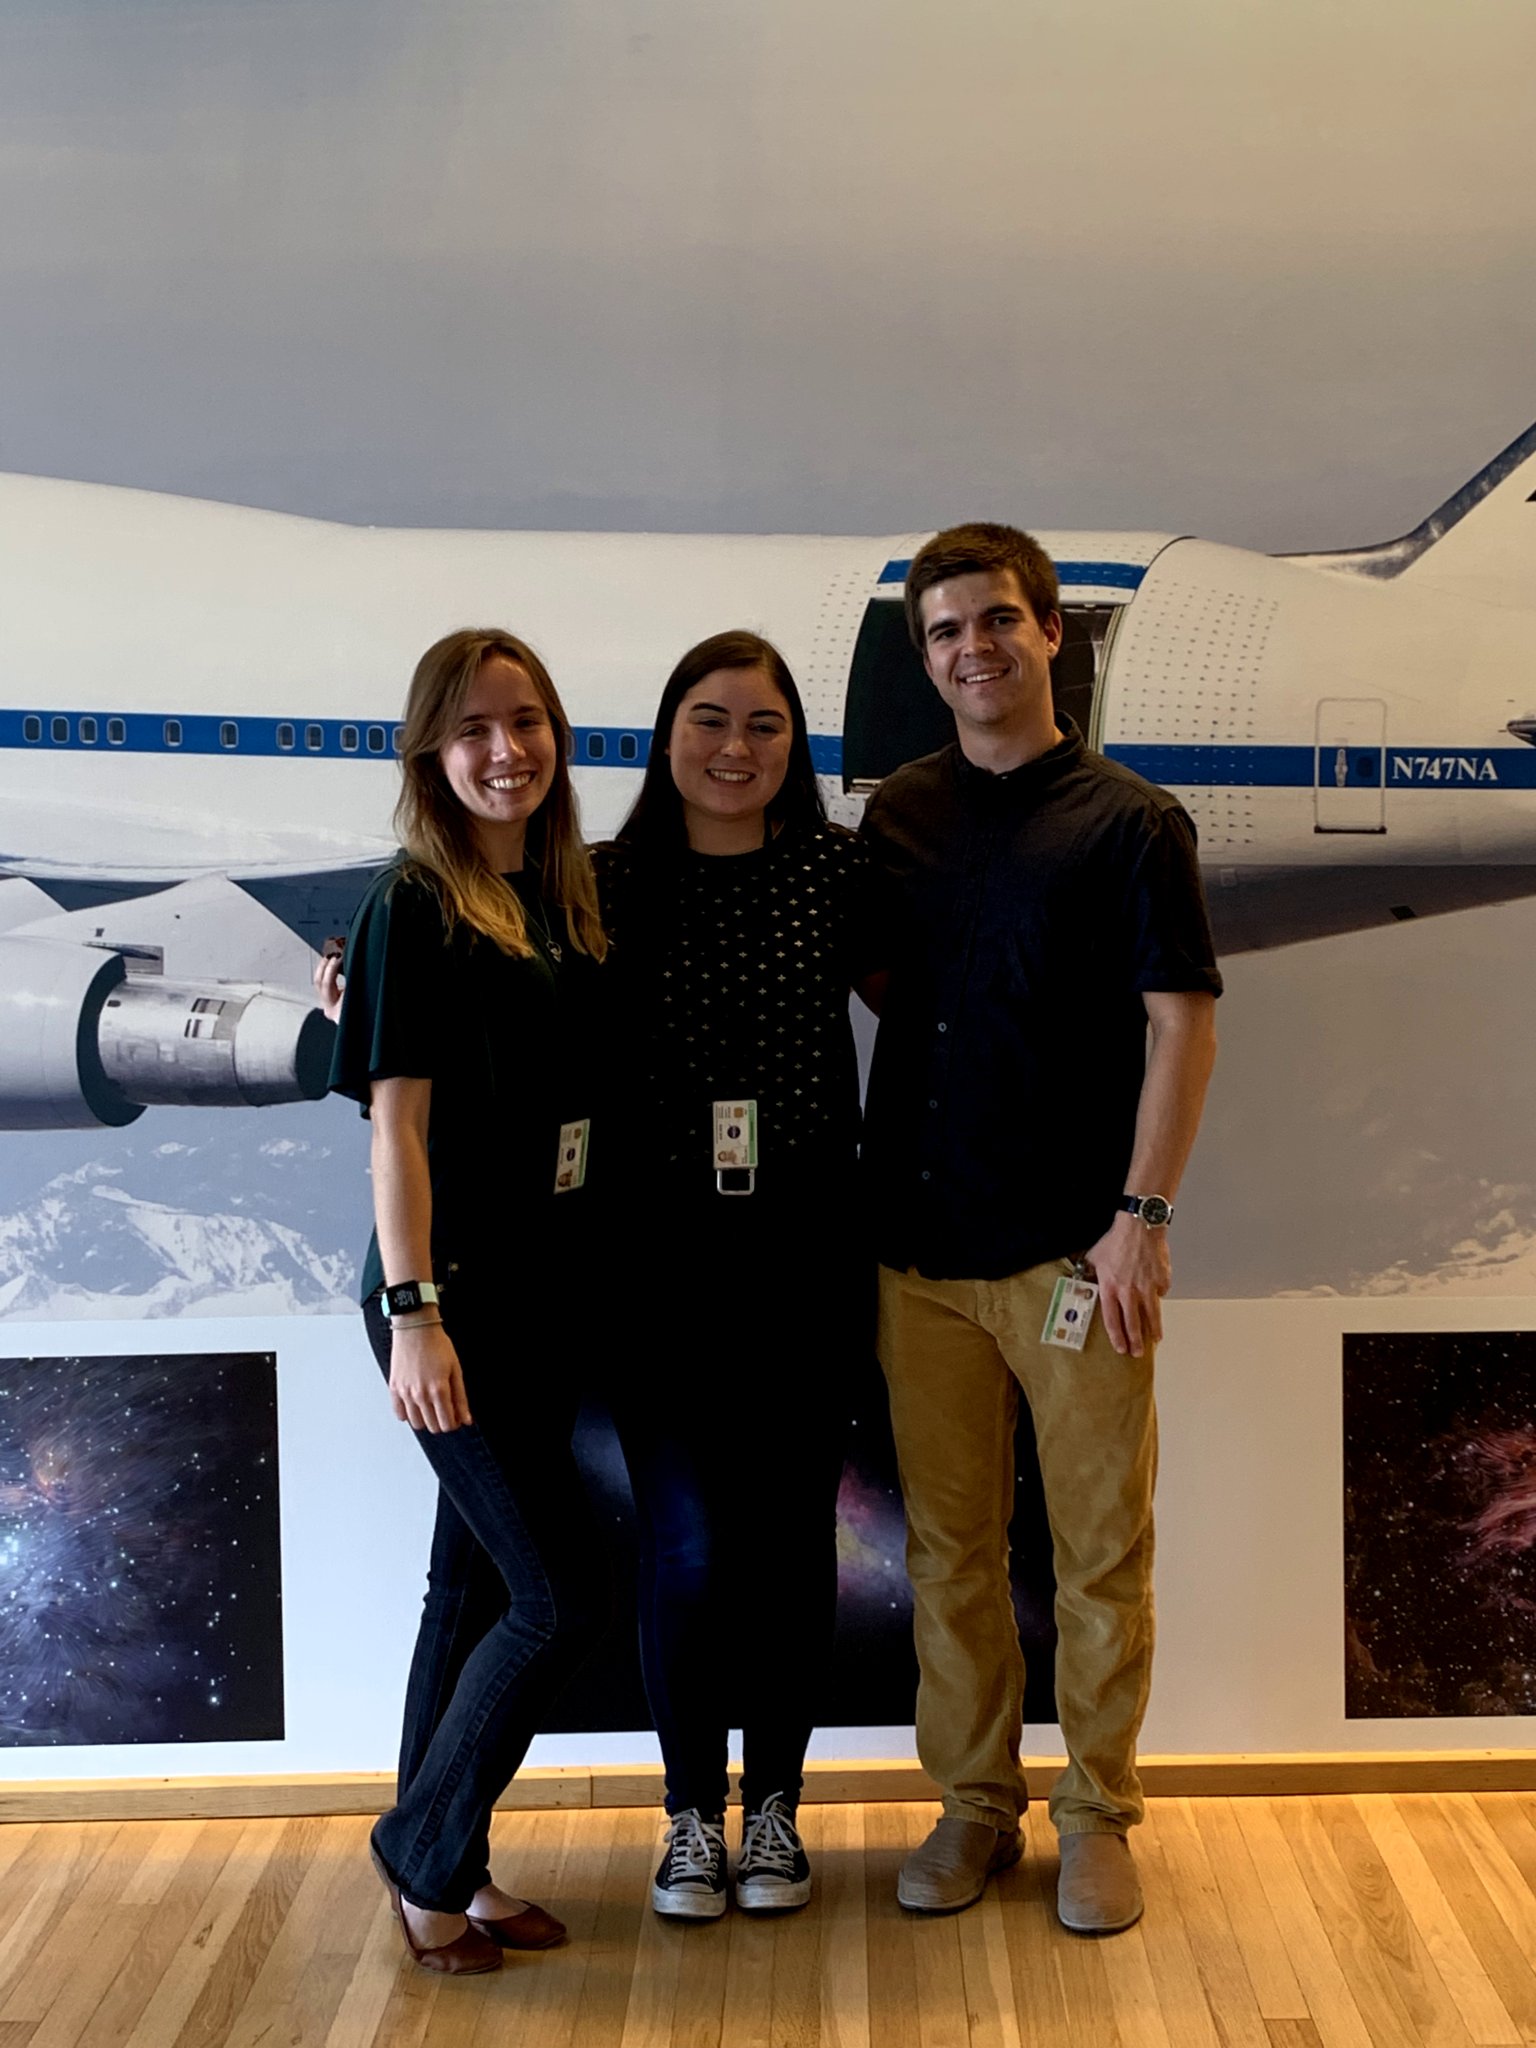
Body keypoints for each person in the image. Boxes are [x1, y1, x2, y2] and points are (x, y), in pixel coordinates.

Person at [858, 525, 1221, 1934]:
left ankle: (1098, 1815)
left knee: (1098, 1554)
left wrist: (1142, 1218)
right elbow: (886, 984)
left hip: (1079, 1253)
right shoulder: (900, 815)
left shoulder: (1133, 823)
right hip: (919, 1256)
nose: (975, 649)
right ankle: (974, 1805)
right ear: (927, 658)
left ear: (1052, 633)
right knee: (948, 1556)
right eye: (947, 631)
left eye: (998, 620)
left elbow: (1182, 1029)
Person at [326, 627, 610, 1974]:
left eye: (528, 721)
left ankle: (453, 1862)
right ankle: (423, 1853)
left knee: (469, 1589)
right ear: (432, 753)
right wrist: (417, 1314)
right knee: (556, 1600)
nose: (508, 751)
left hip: (541, 1302)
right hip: (455, 1308)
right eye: (476, 729)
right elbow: (395, 1130)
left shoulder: (554, 894)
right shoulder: (417, 901)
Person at [594, 629, 886, 1920]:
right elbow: (495, 1003)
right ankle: (686, 1818)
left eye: (765, 725)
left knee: (788, 1547)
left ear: (795, 746)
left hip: (805, 1258)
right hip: (653, 1266)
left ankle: (774, 1813)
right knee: (691, 1548)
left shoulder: (838, 870)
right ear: (668, 736)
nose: (735, 747)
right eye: (709, 720)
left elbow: (939, 1004)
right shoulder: (602, 883)